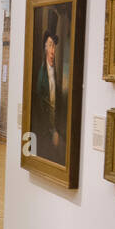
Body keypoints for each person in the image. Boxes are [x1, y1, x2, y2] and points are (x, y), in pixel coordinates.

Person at [33, 26, 64, 161]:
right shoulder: (41, 75)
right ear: (45, 48)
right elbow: (41, 107)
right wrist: (52, 131)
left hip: (54, 130)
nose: (53, 51)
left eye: (54, 47)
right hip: (45, 132)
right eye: (50, 46)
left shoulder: (54, 72)